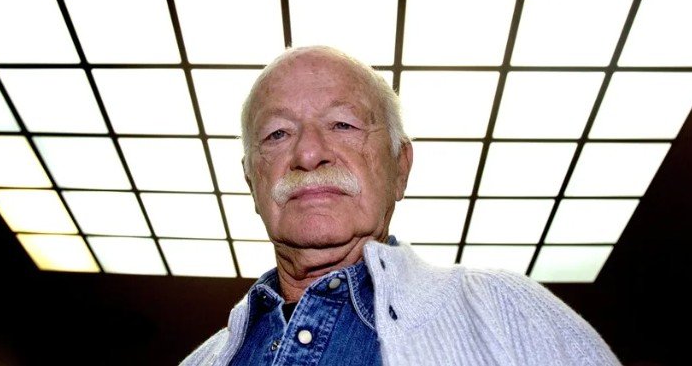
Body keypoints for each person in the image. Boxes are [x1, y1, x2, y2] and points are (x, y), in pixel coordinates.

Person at [180, 45, 621, 365]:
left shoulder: (505, 310)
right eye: (277, 134)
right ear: (251, 181)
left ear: (400, 168)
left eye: (343, 124)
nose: (309, 153)